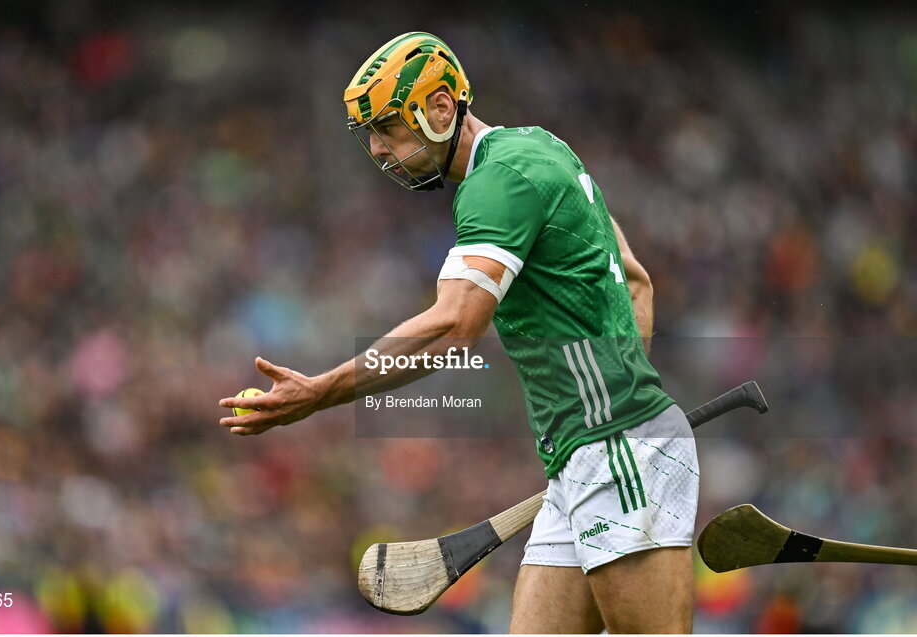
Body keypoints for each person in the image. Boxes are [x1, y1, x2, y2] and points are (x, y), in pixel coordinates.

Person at [219, 32, 699, 633]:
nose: (377, 149)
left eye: (388, 128)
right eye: (368, 134)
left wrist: (320, 392)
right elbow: (635, 282)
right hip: (589, 452)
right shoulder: (540, 149)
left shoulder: (497, 184)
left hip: (617, 449)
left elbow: (451, 329)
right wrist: (612, 404)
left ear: (442, 107)